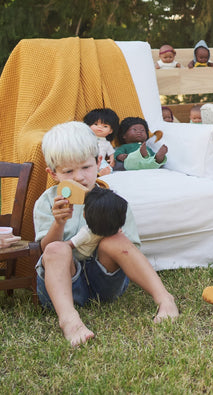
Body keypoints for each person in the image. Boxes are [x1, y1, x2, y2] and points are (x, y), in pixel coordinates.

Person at [34, 121, 178, 346]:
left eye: (85, 167)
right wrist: (58, 223)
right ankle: (69, 319)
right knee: (55, 248)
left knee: (117, 239)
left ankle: (165, 299)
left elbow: (129, 250)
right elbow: (46, 251)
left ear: (98, 161)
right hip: (64, 287)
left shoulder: (113, 200)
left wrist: (112, 234)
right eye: (68, 171)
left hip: (105, 283)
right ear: (53, 173)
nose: (79, 177)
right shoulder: (47, 202)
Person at [82, 108, 119, 174]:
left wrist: (112, 160)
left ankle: (100, 173)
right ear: (88, 126)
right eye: (96, 124)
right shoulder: (85, 139)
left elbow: (111, 153)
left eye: (105, 126)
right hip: (85, 159)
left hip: (101, 161)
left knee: (107, 168)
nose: (100, 127)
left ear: (111, 131)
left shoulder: (107, 143)